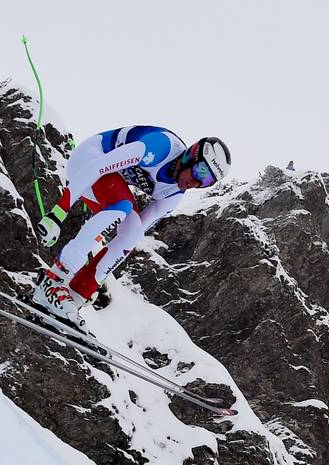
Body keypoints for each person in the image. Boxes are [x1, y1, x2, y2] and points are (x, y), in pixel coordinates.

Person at [32, 127, 231, 324]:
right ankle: (54, 280)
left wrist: (95, 279)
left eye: (207, 182)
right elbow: (99, 166)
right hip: (88, 161)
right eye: (200, 172)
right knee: (123, 205)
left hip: (104, 183)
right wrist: (57, 214)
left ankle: (75, 295)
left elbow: (131, 234)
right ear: (191, 156)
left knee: (134, 230)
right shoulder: (162, 147)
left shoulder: (173, 194)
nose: (197, 183)